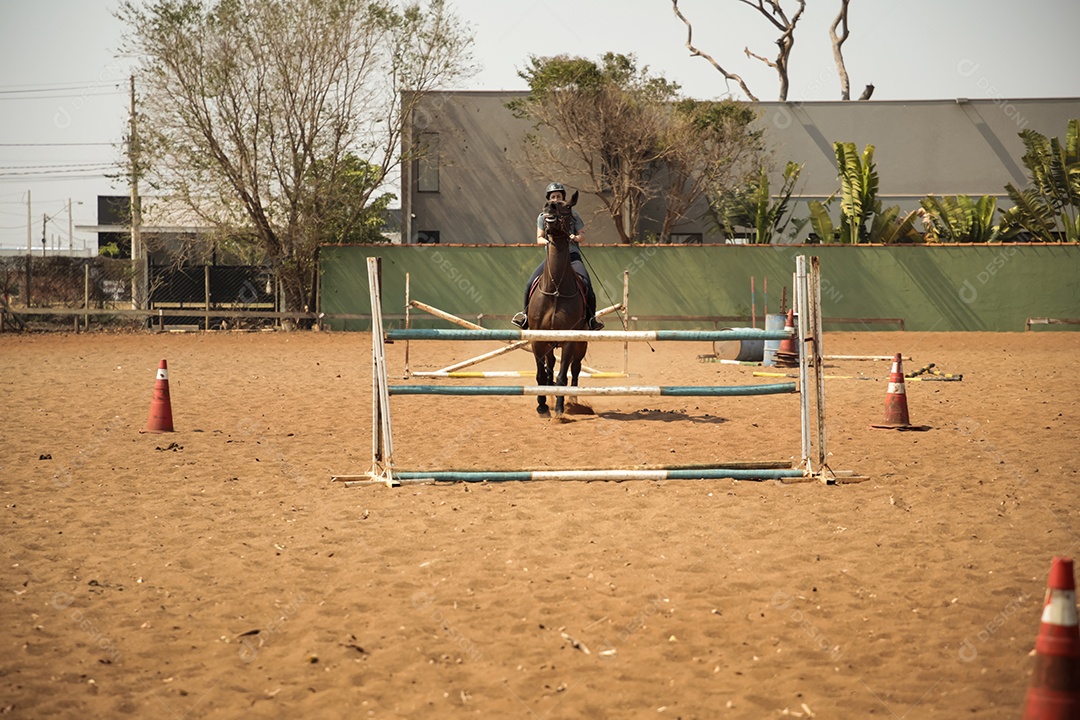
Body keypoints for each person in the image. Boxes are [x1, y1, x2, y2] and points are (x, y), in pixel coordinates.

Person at [511, 182, 604, 330]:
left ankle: (591, 319)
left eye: (558, 196)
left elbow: (583, 236)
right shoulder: (543, 216)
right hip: (552, 258)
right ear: (549, 199)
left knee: (586, 282)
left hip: (572, 257)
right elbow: (539, 238)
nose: (555, 199)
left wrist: (574, 237)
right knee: (530, 283)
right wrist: (551, 242)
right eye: (553, 196)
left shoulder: (572, 214)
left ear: (563, 198)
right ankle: (525, 316)